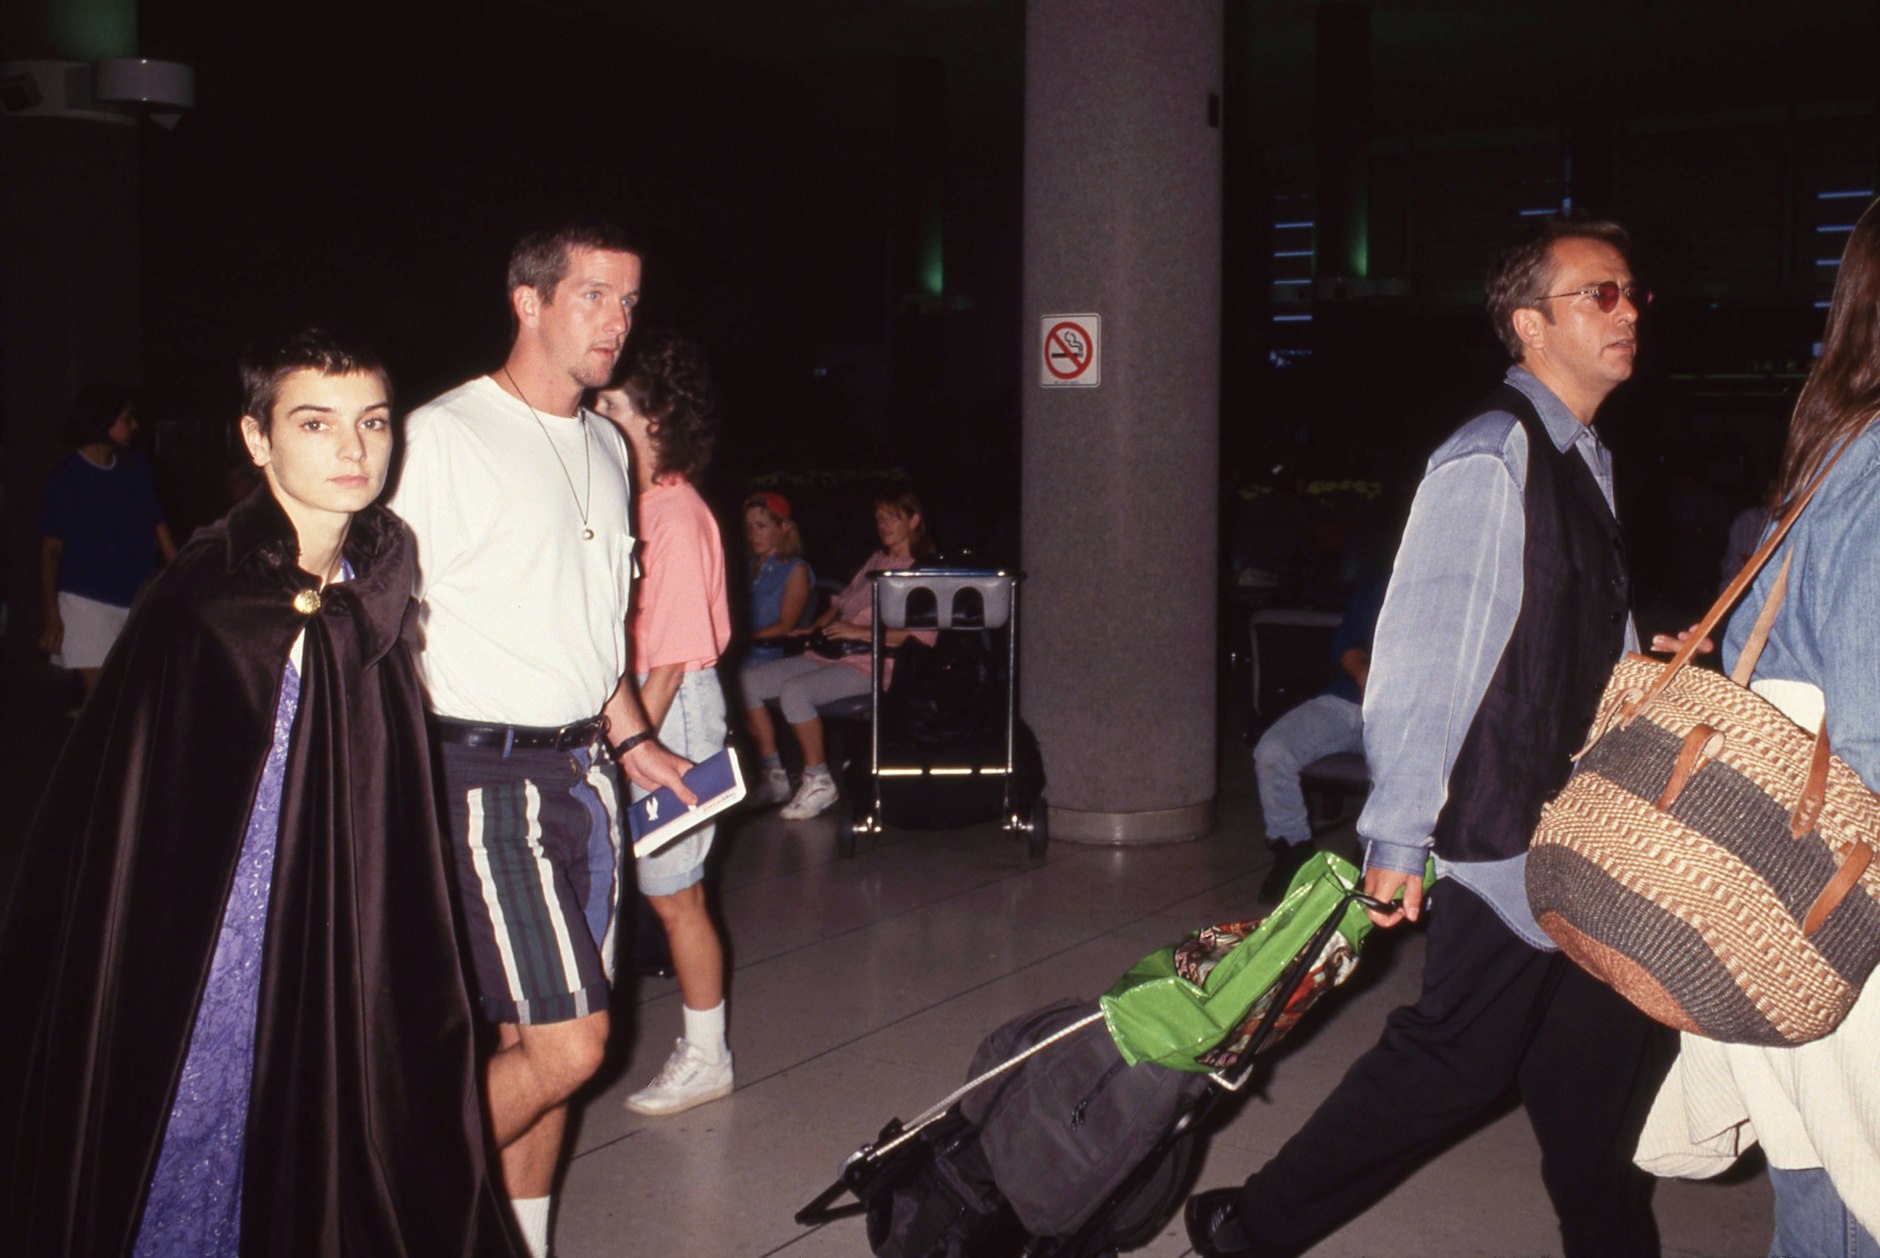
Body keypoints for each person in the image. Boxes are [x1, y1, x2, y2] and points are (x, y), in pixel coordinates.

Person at [1186, 217, 1668, 1258]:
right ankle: (1251, 1230)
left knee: (1593, 1091)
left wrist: (1650, 671)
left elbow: (1576, 637)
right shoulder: (1491, 455)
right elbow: (1421, 656)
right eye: (1600, 293)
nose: (1627, 309)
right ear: (1528, 323)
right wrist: (1396, 836)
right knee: (1452, 1061)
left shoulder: (1583, 458)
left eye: (1631, 292)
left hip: (1580, 839)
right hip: (1504, 836)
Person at [0, 329, 517, 1257]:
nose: (353, 449)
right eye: (315, 423)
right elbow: (135, 812)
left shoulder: (380, 568)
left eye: (373, 422)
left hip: (345, 902)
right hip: (221, 926)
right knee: (203, 1116)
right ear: (256, 437)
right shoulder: (206, 599)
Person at [387, 220, 692, 1258]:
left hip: (585, 777)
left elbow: (594, 628)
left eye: (629, 301)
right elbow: (376, 622)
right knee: (572, 1048)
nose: (618, 321)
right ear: (528, 300)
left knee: (537, 1038)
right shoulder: (443, 437)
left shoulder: (607, 445)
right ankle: (367, 1192)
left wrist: (635, 738)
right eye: (594, 295)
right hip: (486, 776)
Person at [1633, 195, 1880, 1258]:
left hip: (1793, 912)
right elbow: (1869, 738)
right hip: (1840, 915)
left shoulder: (1838, 448)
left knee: (1822, 1205)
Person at [592, 330, 737, 1116]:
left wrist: (625, 748)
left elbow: (673, 662)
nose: (597, 414)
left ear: (655, 420)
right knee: (663, 894)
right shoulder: (643, 503)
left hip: (671, 714)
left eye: (612, 405)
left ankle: (708, 1058)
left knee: (676, 896)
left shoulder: (675, 515)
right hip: (652, 706)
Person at [742, 487, 936, 818]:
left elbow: (924, 636)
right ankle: (774, 774)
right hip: (834, 652)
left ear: (914, 521)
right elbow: (841, 603)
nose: (883, 524)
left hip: (873, 662)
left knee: (795, 692)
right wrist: (815, 627)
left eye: (892, 517)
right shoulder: (876, 560)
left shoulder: (921, 571)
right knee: (748, 681)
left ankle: (819, 780)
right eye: (879, 518)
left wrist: (861, 632)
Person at [1251, 573, 1386, 901]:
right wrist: (1364, 675)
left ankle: (1371, 862)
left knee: (1391, 768)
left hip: (1403, 711)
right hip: (1345, 699)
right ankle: (1293, 854)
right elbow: (1347, 644)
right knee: (1272, 751)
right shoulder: (1382, 582)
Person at [38, 384, 177, 693]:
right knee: (104, 698)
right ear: (102, 420)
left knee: (138, 695)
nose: (134, 426)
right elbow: (51, 551)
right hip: (85, 603)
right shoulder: (66, 476)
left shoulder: (135, 468)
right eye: (126, 418)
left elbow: (159, 527)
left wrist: (181, 578)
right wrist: (52, 615)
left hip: (137, 598)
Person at [743, 489, 814, 664]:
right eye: (749, 527)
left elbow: (785, 626)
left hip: (765, 657)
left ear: (783, 527)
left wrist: (741, 640)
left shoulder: (795, 570)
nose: (753, 535)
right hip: (737, 655)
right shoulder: (748, 566)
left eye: (761, 526)